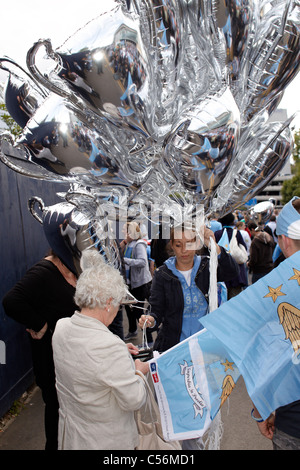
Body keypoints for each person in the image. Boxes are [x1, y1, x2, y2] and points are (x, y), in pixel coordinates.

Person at [52, 250, 148, 450]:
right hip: (106, 442)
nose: (117, 309)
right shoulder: (109, 347)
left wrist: (120, 350)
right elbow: (135, 399)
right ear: (108, 304)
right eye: (118, 303)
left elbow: (84, 357)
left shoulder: (61, 328)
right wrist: (138, 370)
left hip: (71, 437)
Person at [2, 250, 78, 450]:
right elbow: (11, 301)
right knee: (56, 411)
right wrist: (41, 324)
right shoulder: (44, 271)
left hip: (74, 358)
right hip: (51, 359)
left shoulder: (75, 267)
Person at [138, 223, 239, 354]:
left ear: (197, 244)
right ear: (172, 245)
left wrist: (214, 247)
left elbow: (232, 272)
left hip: (206, 346)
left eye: (189, 243)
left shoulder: (207, 266)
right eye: (179, 245)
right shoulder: (163, 274)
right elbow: (156, 310)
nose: (184, 250)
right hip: (174, 349)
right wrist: (150, 321)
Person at [251, 196, 300, 450]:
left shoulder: (277, 294)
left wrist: (261, 411)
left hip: (292, 420)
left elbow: (266, 361)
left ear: (285, 241)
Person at [120, 221, 153, 343]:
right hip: (131, 283)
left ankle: (148, 340)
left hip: (140, 284)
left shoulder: (139, 244)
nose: (123, 232)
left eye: (125, 230)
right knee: (129, 309)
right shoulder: (129, 243)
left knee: (139, 312)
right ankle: (133, 331)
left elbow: (143, 262)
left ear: (130, 232)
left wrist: (125, 260)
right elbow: (118, 251)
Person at [214, 213, 248, 299]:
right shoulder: (237, 233)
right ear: (232, 221)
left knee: (222, 300)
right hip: (236, 272)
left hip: (221, 272)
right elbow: (244, 247)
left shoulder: (217, 234)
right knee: (235, 301)